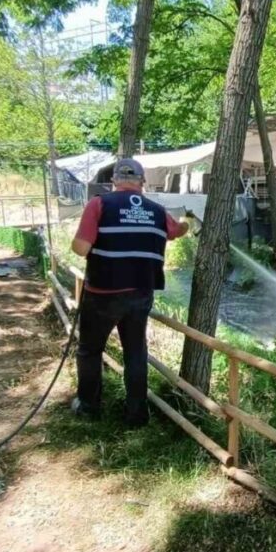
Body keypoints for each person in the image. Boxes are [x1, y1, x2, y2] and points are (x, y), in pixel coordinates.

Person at [69, 158, 189, 427]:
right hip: (141, 292)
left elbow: (81, 248)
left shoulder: (99, 204)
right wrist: (187, 224)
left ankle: (88, 407)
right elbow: (176, 231)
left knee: (90, 350)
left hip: (102, 293)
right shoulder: (157, 211)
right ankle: (136, 415)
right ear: (142, 182)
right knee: (135, 353)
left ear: (114, 180)